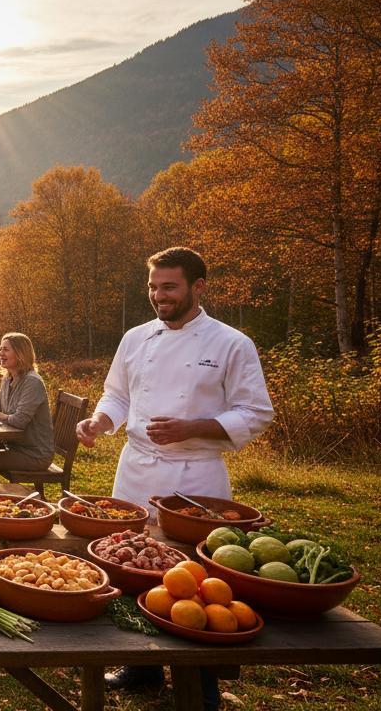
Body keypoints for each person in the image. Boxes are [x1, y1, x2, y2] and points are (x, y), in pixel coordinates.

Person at [75, 247, 274, 708]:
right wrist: (101, 422)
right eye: (152, 287)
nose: (158, 296)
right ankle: (140, 666)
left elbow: (256, 412)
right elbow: (117, 395)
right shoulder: (136, 338)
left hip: (195, 477)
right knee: (130, 564)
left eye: (169, 287)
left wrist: (194, 427)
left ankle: (201, 683)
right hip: (136, 470)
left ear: (198, 287)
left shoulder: (231, 344)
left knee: (193, 577)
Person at [0, 333, 53, 472]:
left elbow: (19, 421)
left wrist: (1, 416)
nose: (0, 353)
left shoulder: (32, 382)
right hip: (13, 445)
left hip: (34, 453)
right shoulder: (8, 378)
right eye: (0, 349)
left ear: (20, 353)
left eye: (6, 349)